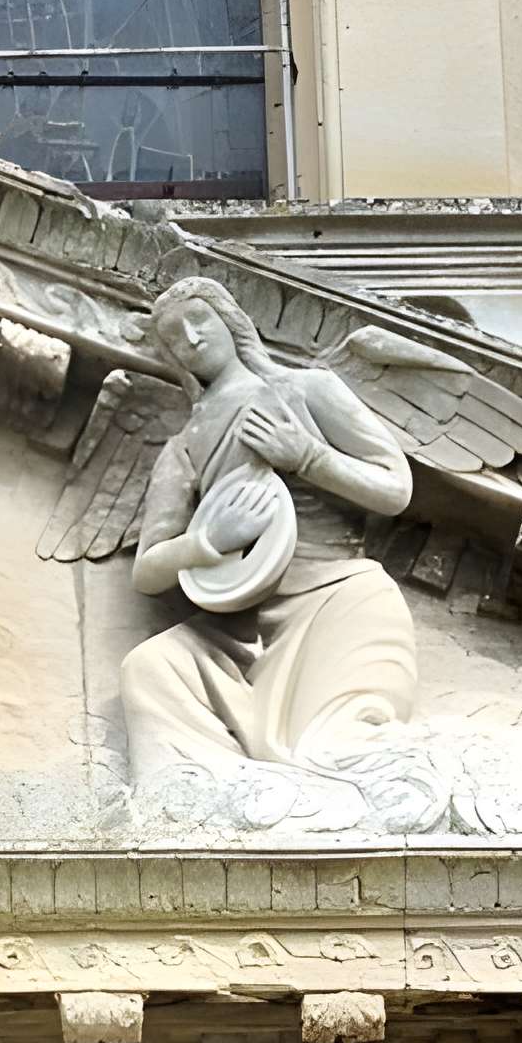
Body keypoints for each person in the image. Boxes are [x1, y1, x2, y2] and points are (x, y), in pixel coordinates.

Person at [119, 275, 420, 791]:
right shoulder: (183, 446)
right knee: (148, 667)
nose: (190, 338)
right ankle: (214, 798)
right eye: (173, 337)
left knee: (338, 749)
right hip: (241, 627)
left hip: (337, 600)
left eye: (199, 320)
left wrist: (307, 456)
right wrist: (208, 539)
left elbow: (395, 489)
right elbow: (148, 569)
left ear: (231, 321)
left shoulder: (309, 389)